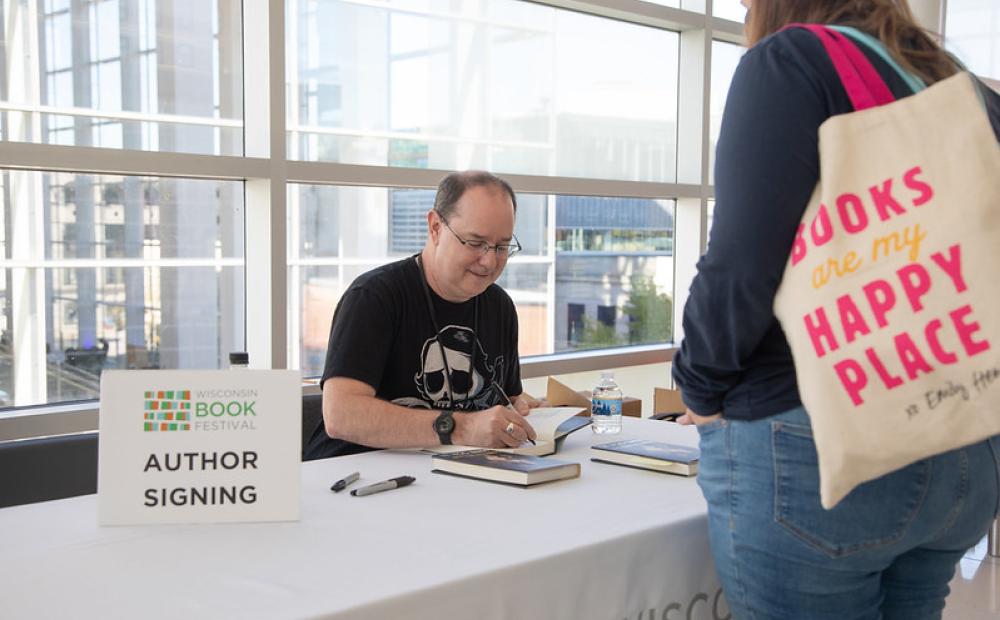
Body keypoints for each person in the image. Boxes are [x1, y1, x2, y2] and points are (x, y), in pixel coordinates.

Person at [671, 1, 1000, 618]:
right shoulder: (959, 86)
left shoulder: (789, 62)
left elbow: (739, 263)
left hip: (813, 446)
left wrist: (698, 390)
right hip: (962, 439)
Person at [304, 171, 540, 460]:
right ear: (436, 227)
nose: (490, 261)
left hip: (454, 477)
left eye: (502, 247)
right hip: (355, 476)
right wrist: (460, 427)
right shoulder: (374, 297)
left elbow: (507, 398)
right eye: (476, 243)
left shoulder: (499, 305)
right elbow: (341, 415)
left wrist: (519, 412)